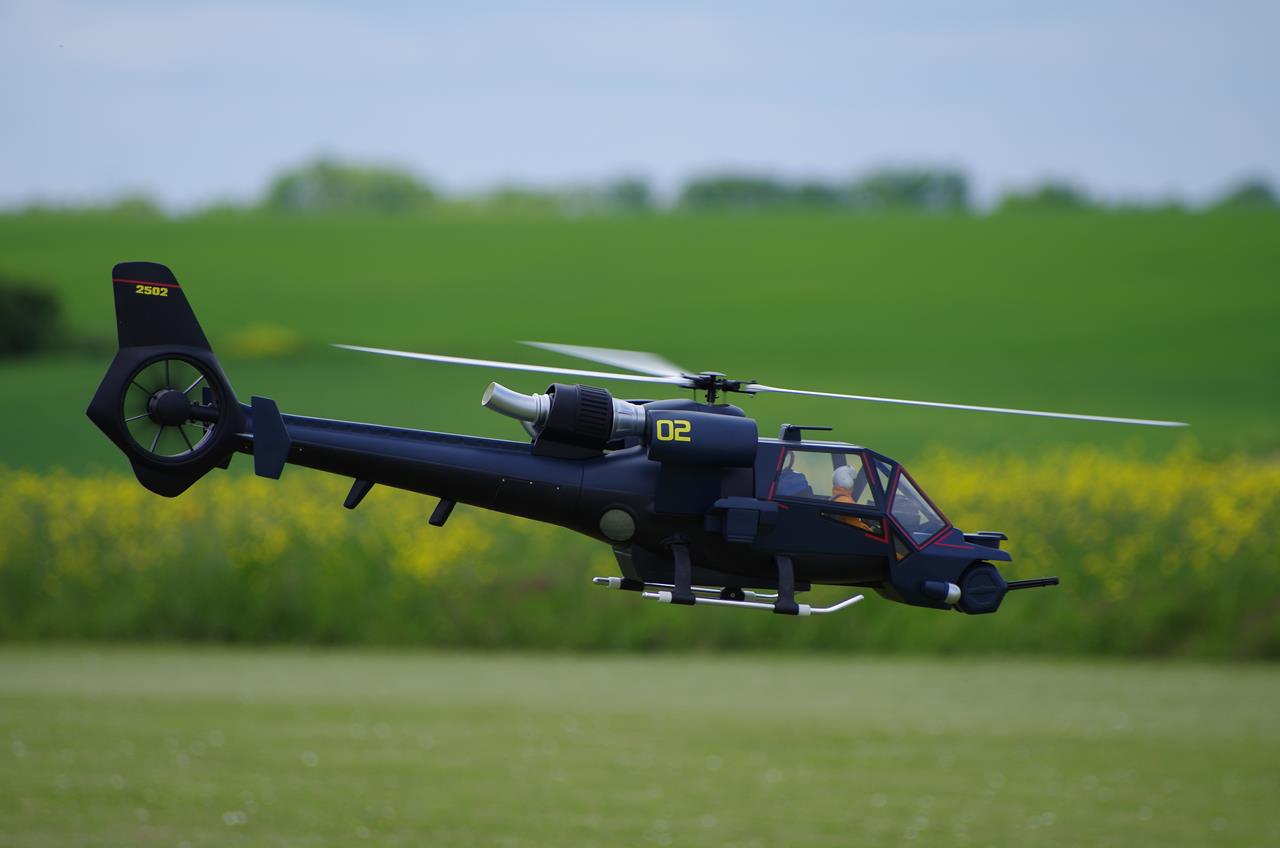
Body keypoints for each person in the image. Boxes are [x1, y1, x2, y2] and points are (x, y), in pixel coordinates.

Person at [831, 465, 875, 532]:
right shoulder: (846, 502)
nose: (854, 483)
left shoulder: (836, 498)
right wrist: (872, 530)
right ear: (847, 481)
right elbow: (856, 526)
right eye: (853, 480)